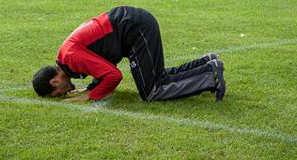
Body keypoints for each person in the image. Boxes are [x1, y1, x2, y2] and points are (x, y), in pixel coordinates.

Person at [32, 6, 226, 102]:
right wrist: (92, 87)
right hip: (134, 25)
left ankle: (210, 75)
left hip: (136, 28)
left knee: (152, 91)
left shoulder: (71, 57)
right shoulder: (67, 56)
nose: (63, 94)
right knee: (157, 78)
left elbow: (113, 75)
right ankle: (207, 63)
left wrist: (91, 95)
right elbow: (104, 65)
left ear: (54, 82)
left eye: (57, 94)